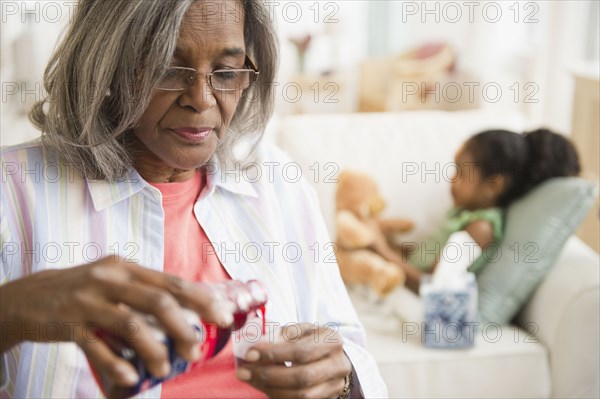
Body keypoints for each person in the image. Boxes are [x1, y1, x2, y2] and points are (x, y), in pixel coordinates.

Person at [0, 1, 387, 398]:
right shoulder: (13, 191)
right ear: (107, 65)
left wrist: (342, 375)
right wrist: (10, 311)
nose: (201, 99)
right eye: (168, 68)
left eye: (225, 72)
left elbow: (345, 344)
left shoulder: (275, 179)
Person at [377, 128, 581, 292]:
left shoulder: (480, 228)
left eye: (461, 173)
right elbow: (424, 258)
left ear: (494, 185)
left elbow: (433, 284)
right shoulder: (464, 214)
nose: (452, 180)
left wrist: (378, 249)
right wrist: (389, 245)